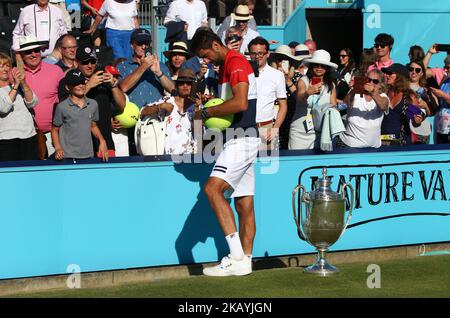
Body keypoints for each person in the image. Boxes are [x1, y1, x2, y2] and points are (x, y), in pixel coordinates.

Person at [190, 28, 260, 276]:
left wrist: (206, 113)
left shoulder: (236, 61)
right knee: (244, 204)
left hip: (242, 138)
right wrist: (212, 104)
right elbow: (234, 105)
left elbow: (240, 103)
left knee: (211, 189)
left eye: (205, 54)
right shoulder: (228, 66)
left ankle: (236, 255)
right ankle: (246, 262)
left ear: (215, 45)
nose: (205, 60)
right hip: (240, 137)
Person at [58, 45, 126, 157]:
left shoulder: (103, 78)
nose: (90, 65)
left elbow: (122, 105)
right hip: (77, 147)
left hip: (104, 143)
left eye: (93, 61)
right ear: (76, 62)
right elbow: (64, 107)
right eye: (85, 62)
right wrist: (88, 85)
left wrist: (114, 86)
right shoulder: (68, 80)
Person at [17, 35, 65, 158]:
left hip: (54, 134)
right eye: (28, 52)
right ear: (21, 55)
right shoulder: (14, 74)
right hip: (26, 136)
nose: (33, 54)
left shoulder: (56, 71)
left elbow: (65, 99)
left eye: (36, 50)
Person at [52, 69, 109, 161]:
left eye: (82, 82)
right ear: (67, 87)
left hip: (88, 154)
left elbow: (93, 125)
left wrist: (102, 141)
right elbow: (54, 129)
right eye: (75, 84)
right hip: (68, 156)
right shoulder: (62, 107)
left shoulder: (93, 104)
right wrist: (58, 148)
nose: (80, 86)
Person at [139, 68, 198, 155]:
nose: (185, 86)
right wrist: (160, 106)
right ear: (177, 85)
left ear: (193, 86)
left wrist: (198, 115)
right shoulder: (168, 101)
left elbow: (200, 134)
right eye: (181, 83)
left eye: (189, 83)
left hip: (190, 157)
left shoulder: (197, 106)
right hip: (167, 156)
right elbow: (143, 112)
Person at [289, 49, 337, 150]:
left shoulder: (331, 85)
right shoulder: (303, 81)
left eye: (322, 65)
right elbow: (299, 98)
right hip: (299, 131)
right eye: (316, 65)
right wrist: (308, 93)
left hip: (320, 131)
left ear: (327, 68)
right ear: (311, 66)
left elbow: (333, 105)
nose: (319, 68)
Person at [248, 37, 287, 150]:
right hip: (246, 127)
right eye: (254, 53)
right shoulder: (243, 72)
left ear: (268, 54)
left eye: (261, 53)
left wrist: (275, 129)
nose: (257, 56)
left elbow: (283, 105)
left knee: (269, 165)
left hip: (267, 127)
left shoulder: (277, 75)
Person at [336, 69, 389, 149]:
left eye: (375, 81)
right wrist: (355, 89)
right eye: (369, 80)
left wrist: (372, 92)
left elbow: (383, 106)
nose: (371, 83)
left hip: (373, 148)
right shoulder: (355, 94)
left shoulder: (383, 96)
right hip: (349, 145)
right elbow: (345, 103)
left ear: (380, 85)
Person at [0, 52, 39, 161]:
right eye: (1, 66)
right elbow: (4, 108)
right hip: (7, 140)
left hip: (29, 136)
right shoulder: (15, 87)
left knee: (30, 173)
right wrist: (16, 85)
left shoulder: (17, 87)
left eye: (7, 65)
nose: (5, 69)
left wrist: (23, 83)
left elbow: (33, 102)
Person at [380, 63, 425, 146]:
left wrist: (417, 120)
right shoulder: (384, 93)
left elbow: (416, 121)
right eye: (386, 73)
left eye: (390, 73)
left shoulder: (409, 96)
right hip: (382, 140)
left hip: (402, 143)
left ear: (400, 76)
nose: (386, 75)